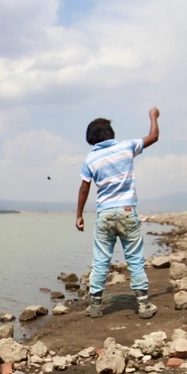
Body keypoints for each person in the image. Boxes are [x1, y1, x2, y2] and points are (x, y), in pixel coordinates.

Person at [75, 107, 160, 319]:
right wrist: (153, 117)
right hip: (127, 210)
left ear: (92, 140)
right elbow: (154, 136)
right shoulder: (127, 147)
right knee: (134, 257)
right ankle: (143, 304)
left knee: (101, 259)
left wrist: (79, 215)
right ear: (111, 134)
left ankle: (95, 305)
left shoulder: (91, 159)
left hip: (104, 213)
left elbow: (84, 188)